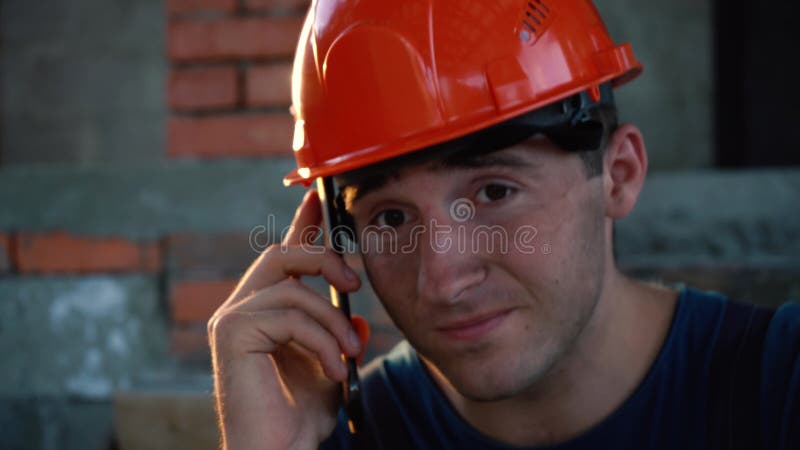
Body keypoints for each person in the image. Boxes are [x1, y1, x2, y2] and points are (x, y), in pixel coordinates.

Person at [207, 1, 800, 449]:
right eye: (390, 217)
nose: (442, 281)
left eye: (494, 191)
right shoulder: (336, 434)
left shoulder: (778, 386)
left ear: (618, 175)